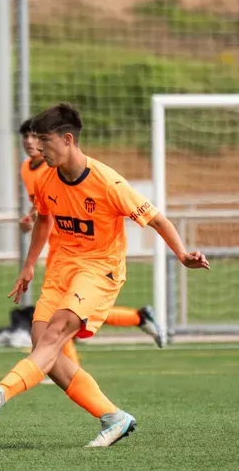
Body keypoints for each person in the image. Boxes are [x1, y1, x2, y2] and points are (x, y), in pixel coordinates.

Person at [0, 103, 209, 447]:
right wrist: (28, 265)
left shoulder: (108, 182)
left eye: (45, 141)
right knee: (43, 344)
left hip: (100, 269)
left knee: (56, 334)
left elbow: (158, 219)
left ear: (68, 139)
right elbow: (43, 218)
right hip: (61, 268)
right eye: (36, 142)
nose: (39, 149)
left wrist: (182, 255)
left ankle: (1, 391)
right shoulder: (45, 178)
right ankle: (113, 417)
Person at [18, 118, 164, 352]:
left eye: (36, 137)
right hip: (59, 245)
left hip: (78, 247)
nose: (29, 142)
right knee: (69, 313)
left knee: (62, 315)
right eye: (25, 136)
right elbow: (43, 206)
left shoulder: (58, 165)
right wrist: (30, 217)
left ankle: (58, 368)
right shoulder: (27, 169)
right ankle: (137, 317)